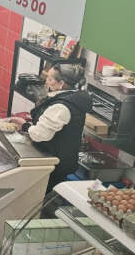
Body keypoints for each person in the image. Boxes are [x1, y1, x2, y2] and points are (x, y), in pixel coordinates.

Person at [24, 64, 91, 192]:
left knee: (37, 196)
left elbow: (40, 135)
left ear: (62, 83)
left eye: (50, 79)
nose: (46, 82)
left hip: (55, 162)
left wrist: (25, 126)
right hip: (62, 159)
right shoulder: (73, 98)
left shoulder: (62, 106)